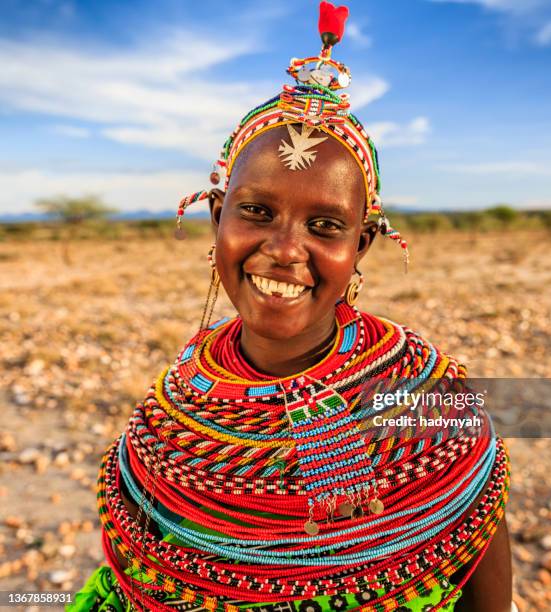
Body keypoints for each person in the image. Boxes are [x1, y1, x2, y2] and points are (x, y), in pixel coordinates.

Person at [70, 3, 512, 611]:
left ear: (361, 245)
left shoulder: (427, 395)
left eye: (325, 224)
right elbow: (135, 578)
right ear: (216, 216)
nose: (283, 250)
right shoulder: (175, 407)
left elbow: (478, 544)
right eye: (256, 211)